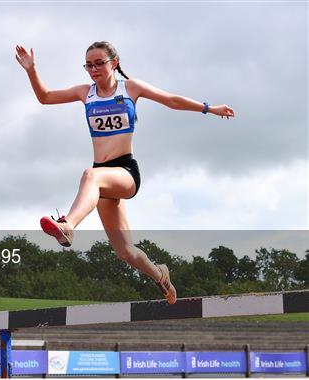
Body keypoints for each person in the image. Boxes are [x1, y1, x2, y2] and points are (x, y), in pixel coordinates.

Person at [15, 41, 235, 304]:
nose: (93, 69)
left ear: (114, 63)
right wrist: (31, 69)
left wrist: (209, 108)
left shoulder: (130, 88)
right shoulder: (86, 93)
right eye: (89, 65)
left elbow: (171, 100)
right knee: (125, 252)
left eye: (99, 63)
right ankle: (160, 275)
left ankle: (68, 226)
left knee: (89, 175)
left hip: (125, 171)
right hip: (100, 183)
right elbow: (45, 97)